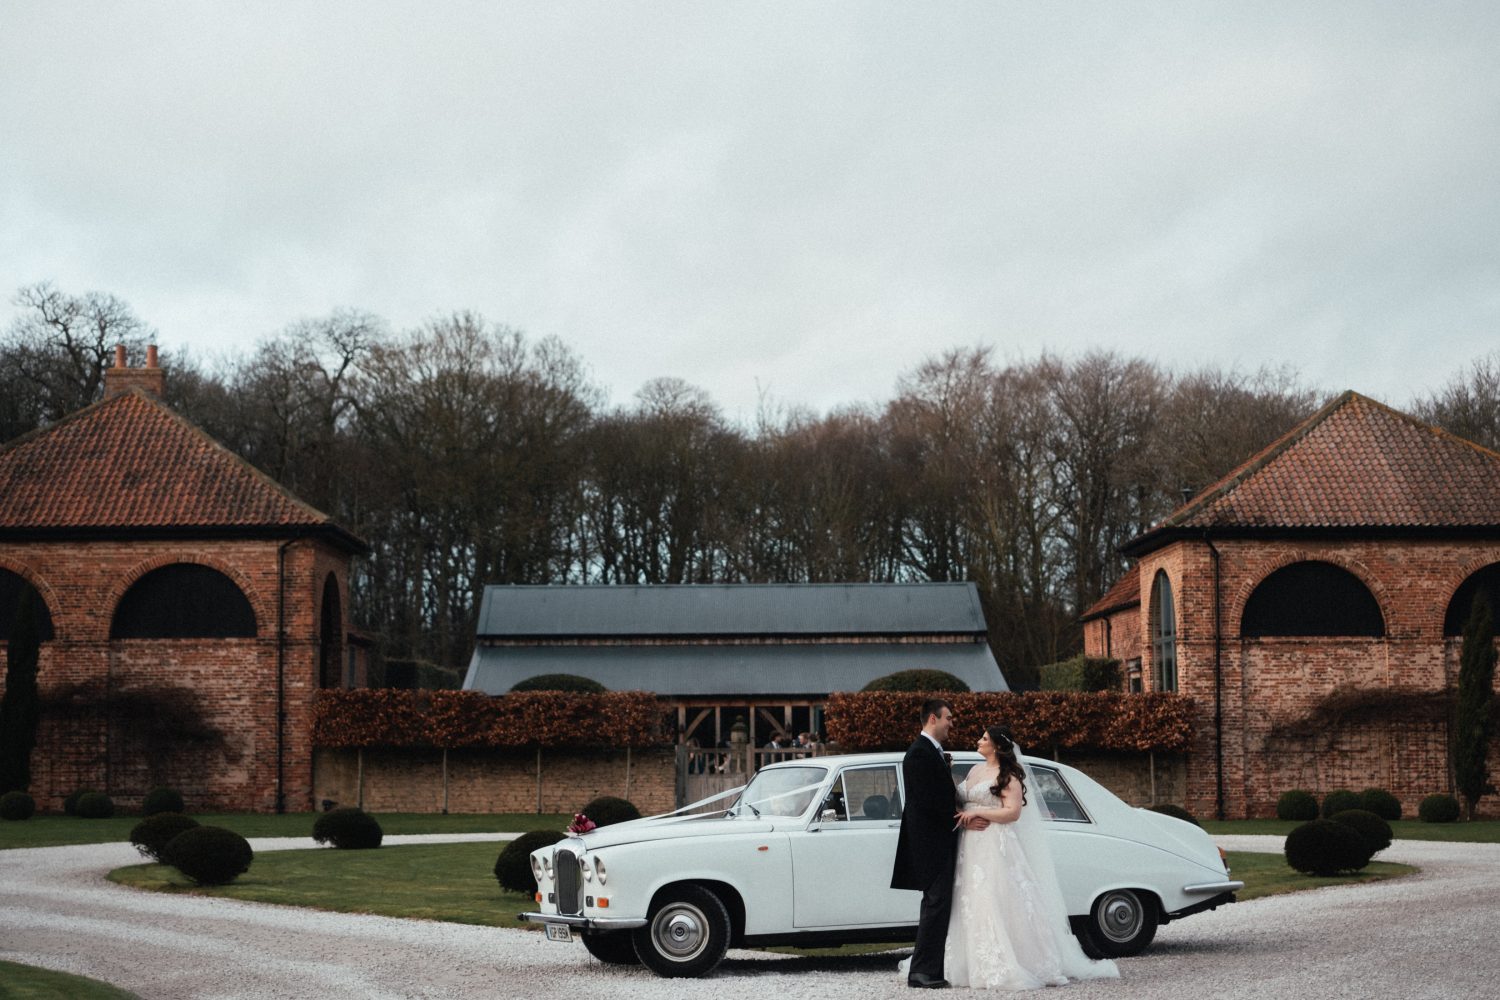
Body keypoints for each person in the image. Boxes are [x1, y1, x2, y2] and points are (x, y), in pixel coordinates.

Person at [943, 725, 1120, 990]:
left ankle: (1010, 962)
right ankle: (973, 962)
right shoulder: (974, 771)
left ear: (996, 746)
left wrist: (980, 814)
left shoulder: (1009, 775)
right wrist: (964, 813)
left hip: (995, 843)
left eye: (984, 738)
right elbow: (963, 800)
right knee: (972, 898)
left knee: (996, 896)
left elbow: (1012, 812)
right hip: (972, 845)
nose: (978, 741)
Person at [890, 698, 975, 989]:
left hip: (938, 842)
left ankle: (930, 969)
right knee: (935, 905)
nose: (952, 722)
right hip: (931, 845)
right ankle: (921, 972)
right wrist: (963, 818)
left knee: (938, 905)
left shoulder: (932, 753)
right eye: (949, 717)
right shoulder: (918, 754)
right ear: (933, 719)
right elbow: (929, 802)